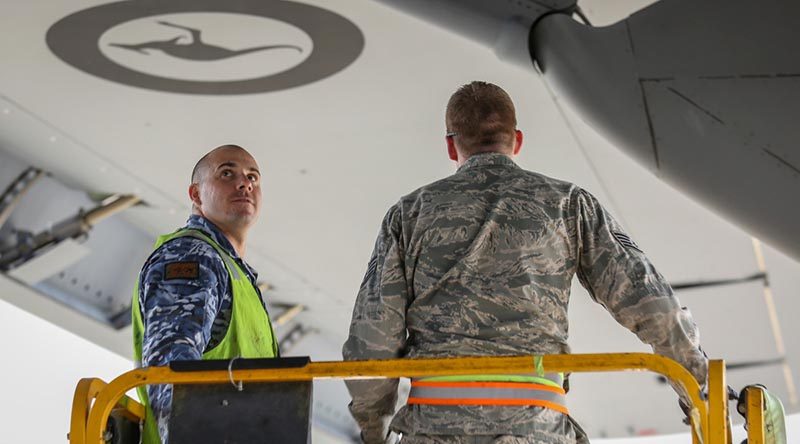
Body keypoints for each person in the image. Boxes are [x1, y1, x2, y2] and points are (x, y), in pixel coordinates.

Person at [342, 81, 708, 444]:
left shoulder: (408, 215)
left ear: (451, 146)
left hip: (434, 429)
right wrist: (702, 398)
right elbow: (654, 307)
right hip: (536, 427)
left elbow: (372, 338)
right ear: (516, 140)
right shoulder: (568, 205)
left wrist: (374, 429)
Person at [132, 144, 278, 444]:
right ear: (196, 195)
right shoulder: (191, 256)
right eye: (227, 173)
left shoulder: (236, 274)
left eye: (253, 177)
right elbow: (171, 370)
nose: (245, 183)